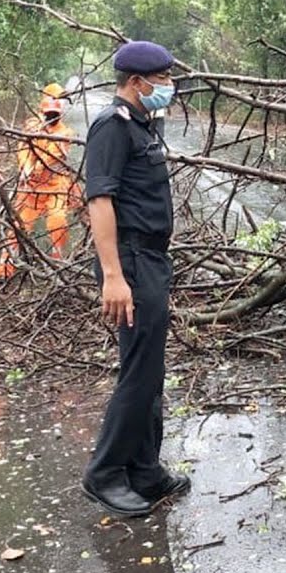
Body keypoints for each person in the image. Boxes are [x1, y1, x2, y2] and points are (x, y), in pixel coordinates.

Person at [81, 40, 189, 517]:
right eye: (162, 79)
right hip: (130, 263)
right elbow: (100, 202)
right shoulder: (112, 128)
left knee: (150, 370)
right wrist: (113, 277)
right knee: (138, 371)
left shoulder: (142, 125)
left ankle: (145, 469)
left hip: (150, 260)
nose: (169, 86)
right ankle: (104, 473)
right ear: (136, 83)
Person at [0, 86, 80, 278]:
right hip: (31, 188)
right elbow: (23, 148)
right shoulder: (32, 126)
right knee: (18, 225)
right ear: (41, 110)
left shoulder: (65, 132)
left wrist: (34, 168)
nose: (52, 117)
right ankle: (5, 269)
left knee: (57, 221)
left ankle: (57, 265)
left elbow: (52, 155)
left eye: (55, 114)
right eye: (48, 113)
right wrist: (25, 167)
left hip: (56, 185)